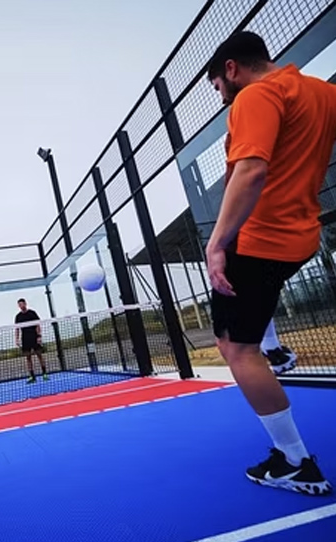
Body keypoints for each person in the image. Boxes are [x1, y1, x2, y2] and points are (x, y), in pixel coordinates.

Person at [205, 31, 335, 495]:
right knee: (244, 336)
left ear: (232, 68)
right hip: (300, 238)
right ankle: (274, 351)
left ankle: (296, 461)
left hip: (258, 240)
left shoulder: (255, 96)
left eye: (218, 87)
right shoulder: (324, 94)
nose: (222, 96)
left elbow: (252, 169)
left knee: (237, 350)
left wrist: (217, 243)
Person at [14, 298, 48, 383]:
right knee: (28, 357)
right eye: (19, 305)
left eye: (22, 304)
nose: (21, 306)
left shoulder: (32, 313)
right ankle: (32, 376)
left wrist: (39, 336)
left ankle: (44, 374)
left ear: (25, 304)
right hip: (25, 339)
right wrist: (17, 339)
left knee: (39, 355)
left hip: (34, 337)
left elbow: (37, 325)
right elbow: (17, 329)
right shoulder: (18, 317)